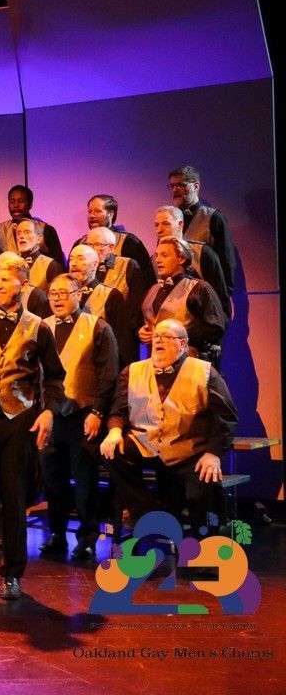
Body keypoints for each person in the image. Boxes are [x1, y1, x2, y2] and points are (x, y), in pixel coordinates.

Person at [0, 261, 65, 602]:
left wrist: (48, 411)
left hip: (17, 418)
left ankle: (13, 574)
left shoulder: (38, 327)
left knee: (13, 496)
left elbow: (54, 377)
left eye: (6, 279)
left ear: (23, 284)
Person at [102, 318, 237, 531]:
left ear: (182, 343)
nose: (158, 340)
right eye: (156, 336)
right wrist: (115, 431)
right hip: (146, 445)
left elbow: (226, 416)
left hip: (188, 450)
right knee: (112, 451)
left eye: (166, 337)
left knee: (202, 490)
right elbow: (118, 409)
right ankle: (147, 512)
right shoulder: (132, 371)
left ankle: (204, 541)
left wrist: (213, 454)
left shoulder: (204, 371)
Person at [37, 275, 119, 562]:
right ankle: (57, 534)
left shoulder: (98, 327)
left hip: (84, 416)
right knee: (53, 479)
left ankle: (86, 538)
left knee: (84, 480)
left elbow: (109, 375)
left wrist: (98, 412)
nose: (57, 299)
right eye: (53, 294)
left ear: (79, 294)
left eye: (64, 293)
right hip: (51, 416)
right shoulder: (41, 326)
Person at [140, 237, 227, 362]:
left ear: (181, 258)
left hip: (187, 360)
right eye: (157, 255)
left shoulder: (199, 288)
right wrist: (142, 331)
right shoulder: (153, 289)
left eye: (164, 255)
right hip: (155, 360)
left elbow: (215, 327)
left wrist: (178, 333)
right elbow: (149, 321)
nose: (158, 260)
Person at [152, 204, 231, 319]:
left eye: (166, 224)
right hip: (165, 326)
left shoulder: (202, 252)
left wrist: (219, 323)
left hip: (199, 322)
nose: (160, 230)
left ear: (180, 224)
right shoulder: (154, 260)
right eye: (156, 225)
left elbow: (220, 296)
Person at [168, 165, 235, 298]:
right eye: (172, 186)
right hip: (175, 295)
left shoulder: (213, 217)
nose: (175, 189)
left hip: (204, 295)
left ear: (196, 186)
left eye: (181, 185)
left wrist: (223, 297)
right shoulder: (169, 218)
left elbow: (226, 260)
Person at [67, 244, 138, 367]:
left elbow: (124, 341)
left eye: (80, 258)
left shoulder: (111, 295)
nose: (73, 263)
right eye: (71, 259)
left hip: (101, 366)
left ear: (95, 264)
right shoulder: (63, 295)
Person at [73, 194, 154, 292]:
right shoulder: (80, 244)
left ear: (111, 214)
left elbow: (146, 280)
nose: (92, 215)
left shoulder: (128, 242)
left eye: (98, 211)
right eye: (90, 211)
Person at [0, 184, 65, 266]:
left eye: (21, 201)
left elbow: (58, 265)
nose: (16, 205)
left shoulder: (46, 230)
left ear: (30, 204)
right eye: (12, 202)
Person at [15, 218, 64, 291]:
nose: (21, 236)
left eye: (27, 232)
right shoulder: (12, 264)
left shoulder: (51, 265)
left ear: (39, 239)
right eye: (18, 233)